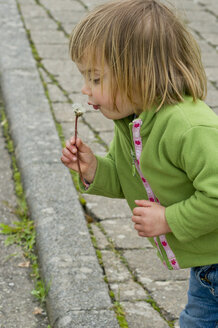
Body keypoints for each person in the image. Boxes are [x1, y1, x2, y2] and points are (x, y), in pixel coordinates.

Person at [61, 0, 218, 326]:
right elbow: (131, 179)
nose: (85, 88)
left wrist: (169, 218)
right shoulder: (133, 123)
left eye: (95, 78)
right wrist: (93, 170)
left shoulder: (189, 127)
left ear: (138, 74)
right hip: (207, 263)